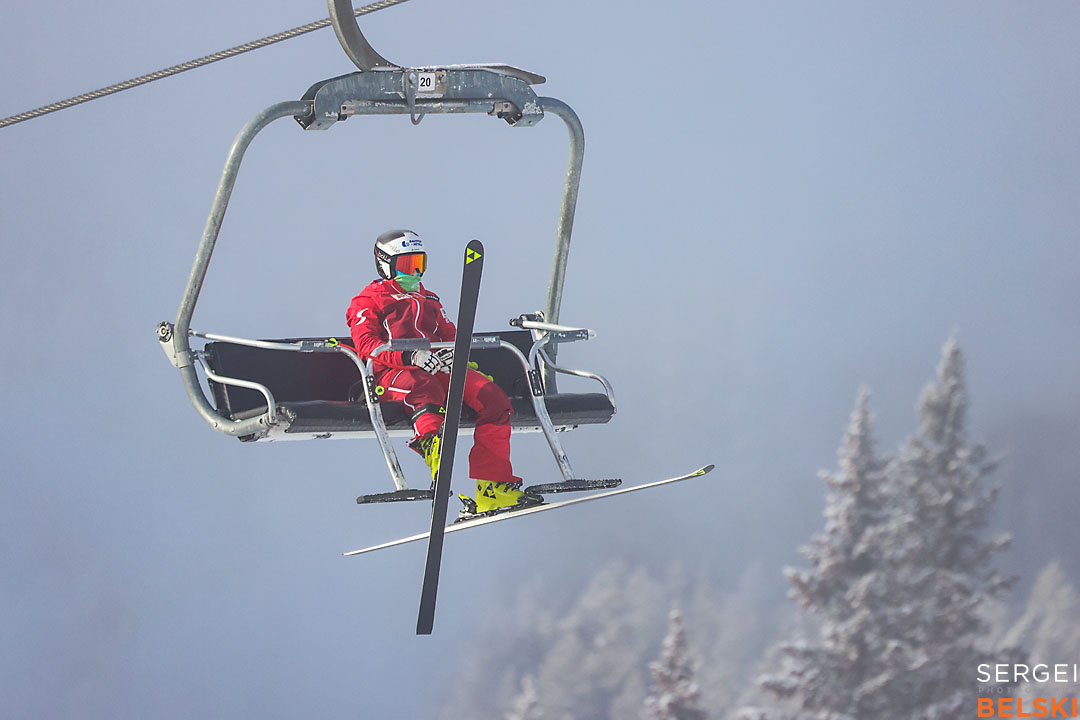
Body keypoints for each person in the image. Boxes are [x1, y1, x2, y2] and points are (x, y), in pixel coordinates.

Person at [346, 229, 534, 514]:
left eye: (420, 264)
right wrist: (411, 356)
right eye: (408, 265)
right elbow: (368, 345)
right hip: (391, 375)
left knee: (493, 398)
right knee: (423, 388)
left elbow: (450, 334)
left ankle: (493, 487)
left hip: (437, 369)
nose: (416, 273)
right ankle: (434, 448)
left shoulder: (429, 299)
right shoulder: (368, 301)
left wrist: (452, 354)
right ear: (385, 264)